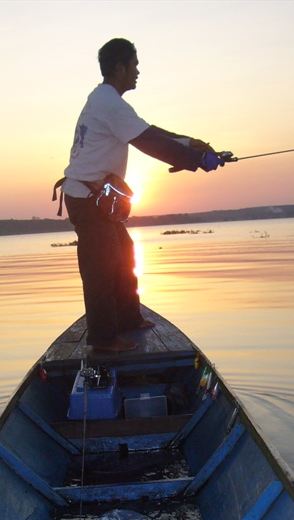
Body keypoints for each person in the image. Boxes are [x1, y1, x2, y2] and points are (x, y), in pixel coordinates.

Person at [55, 38, 226, 353]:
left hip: (94, 199)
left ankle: (129, 318)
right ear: (119, 67)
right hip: (86, 199)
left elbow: (149, 130)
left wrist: (190, 144)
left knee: (125, 251)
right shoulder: (108, 103)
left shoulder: (107, 100)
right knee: (101, 267)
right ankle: (104, 339)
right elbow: (149, 141)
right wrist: (196, 162)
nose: (138, 71)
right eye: (134, 65)